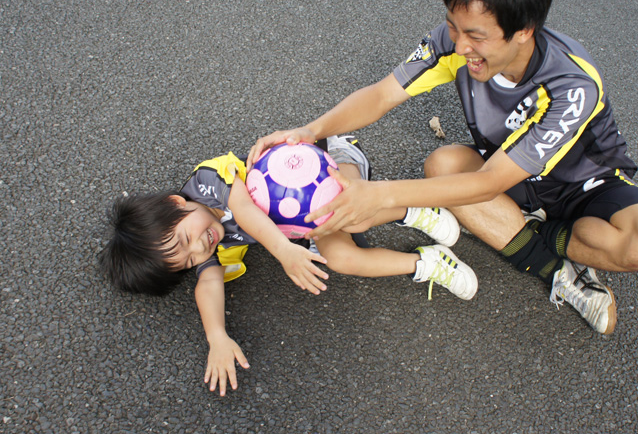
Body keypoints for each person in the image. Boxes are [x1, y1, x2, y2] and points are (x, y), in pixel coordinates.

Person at [247, 0, 638, 335]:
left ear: (523, 30)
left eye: (475, 35)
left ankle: (537, 235)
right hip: (510, 176)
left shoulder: (572, 85)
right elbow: (381, 95)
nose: (459, 45)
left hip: (582, 186)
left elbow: (489, 182)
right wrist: (309, 131)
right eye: (453, 26)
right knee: (444, 165)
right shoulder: (452, 42)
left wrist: (379, 195)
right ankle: (556, 272)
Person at [99, 135, 477, 396]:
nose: (200, 247)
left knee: (351, 219)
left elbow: (244, 210)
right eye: (187, 261)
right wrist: (216, 337)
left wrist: (284, 251)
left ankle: (414, 210)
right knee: (341, 258)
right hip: (305, 221)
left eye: (185, 239)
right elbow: (208, 283)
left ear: (176, 205)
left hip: (330, 164)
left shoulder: (206, 182)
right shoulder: (205, 247)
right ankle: (427, 263)